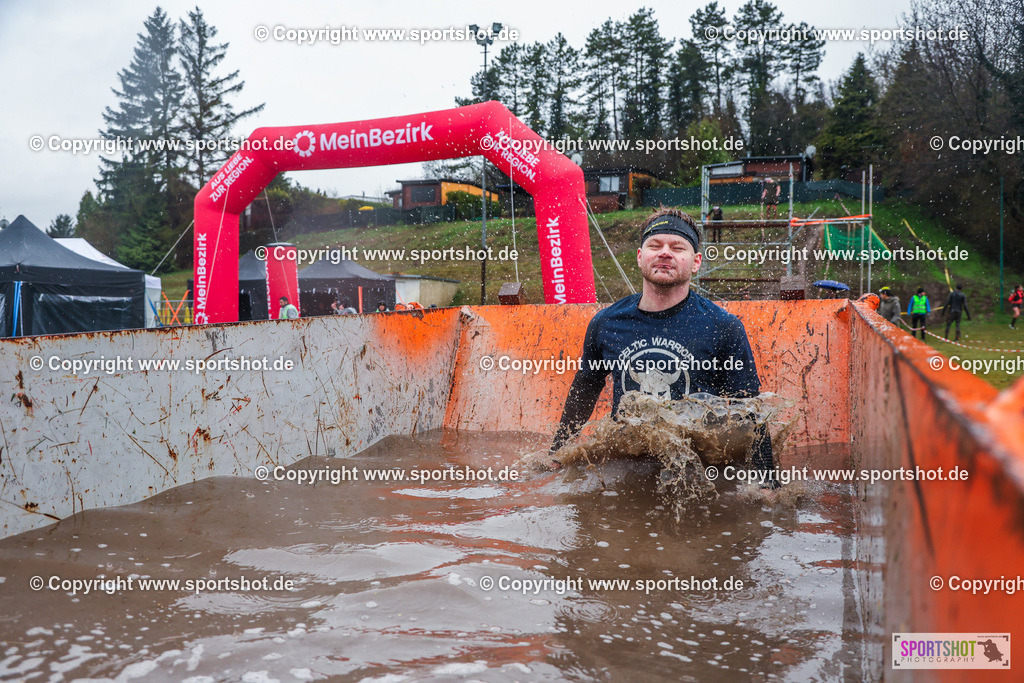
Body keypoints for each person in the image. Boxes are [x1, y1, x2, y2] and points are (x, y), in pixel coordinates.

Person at [548, 207, 778, 489]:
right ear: (640, 256)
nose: (665, 253)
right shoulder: (607, 322)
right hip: (629, 470)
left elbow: (750, 409)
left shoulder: (722, 326)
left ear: (696, 262)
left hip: (699, 475)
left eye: (677, 248)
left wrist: (767, 482)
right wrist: (557, 453)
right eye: (655, 246)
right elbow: (585, 387)